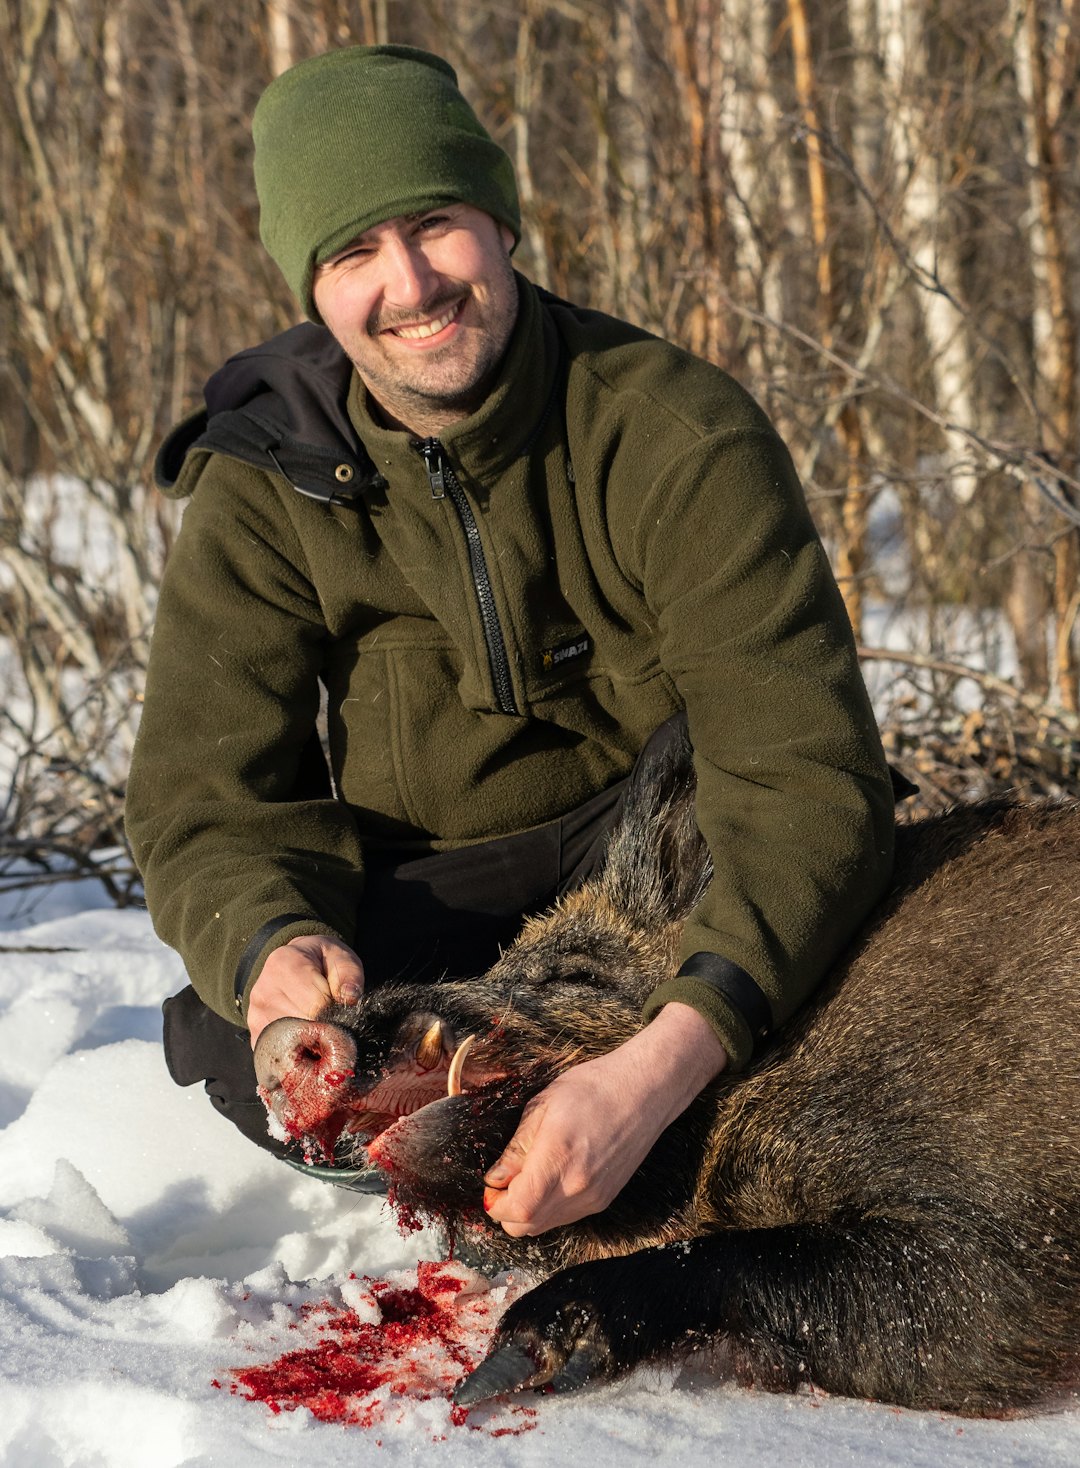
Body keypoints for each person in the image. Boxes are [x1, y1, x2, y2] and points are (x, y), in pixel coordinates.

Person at [127, 44, 899, 1240]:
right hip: (427, 887)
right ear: (312, 289)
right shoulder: (261, 477)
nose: (411, 284)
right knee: (240, 1047)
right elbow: (203, 799)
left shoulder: (672, 428)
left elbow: (801, 775)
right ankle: (507, 1105)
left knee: (822, 947)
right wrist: (278, 950)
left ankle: (663, 1079)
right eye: (352, 253)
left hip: (651, 850)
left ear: (500, 220)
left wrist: (660, 1063)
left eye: (435, 223)